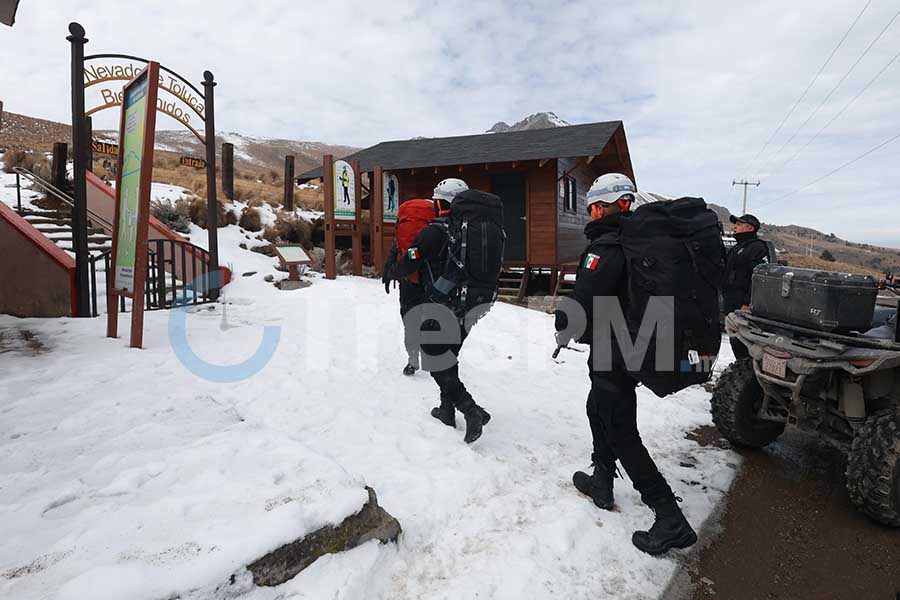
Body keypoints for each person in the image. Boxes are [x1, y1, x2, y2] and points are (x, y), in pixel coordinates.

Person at [554, 173, 697, 556]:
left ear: (605, 207)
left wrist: (562, 322)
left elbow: (583, 300)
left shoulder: (608, 246)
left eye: (593, 208)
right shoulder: (635, 240)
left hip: (615, 347)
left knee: (620, 429)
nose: (592, 214)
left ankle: (668, 516)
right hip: (629, 343)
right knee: (597, 407)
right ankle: (602, 479)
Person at [388, 178, 494, 444]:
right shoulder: (472, 230)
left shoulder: (434, 230)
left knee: (435, 359)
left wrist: (394, 271)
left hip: (444, 303)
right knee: (448, 356)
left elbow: (410, 261)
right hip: (473, 302)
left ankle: (471, 410)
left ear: (439, 202)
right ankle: (446, 410)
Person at [723, 213, 769, 359]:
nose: (734, 227)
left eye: (739, 224)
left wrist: (747, 303)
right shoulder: (736, 248)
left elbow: (759, 279)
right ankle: (741, 366)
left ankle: (747, 368)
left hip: (744, 305)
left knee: (745, 343)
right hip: (731, 302)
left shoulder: (757, 247)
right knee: (735, 339)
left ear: (750, 228)